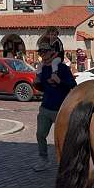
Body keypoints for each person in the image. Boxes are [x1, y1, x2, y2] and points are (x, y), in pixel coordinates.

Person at [32, 43, 77, 172]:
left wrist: (59, 81)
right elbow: (43, 87)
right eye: (40, 52)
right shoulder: (42, 69)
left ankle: (67, 162)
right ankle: (43, 159)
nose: (43, 55)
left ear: (52, 52)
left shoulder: (62, 68)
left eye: (45, 52)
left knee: (63, 138)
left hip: (61, 109)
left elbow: (73, 85)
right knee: (40, 134)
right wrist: (37, 85)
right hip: (45, 108)